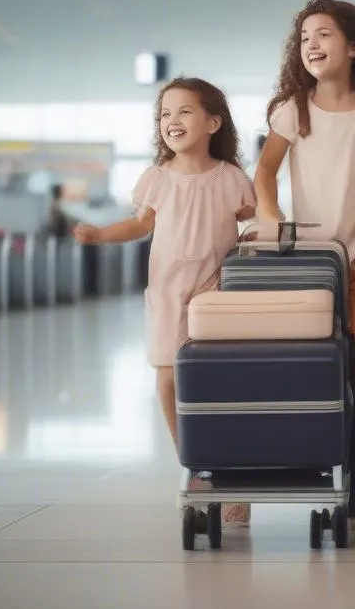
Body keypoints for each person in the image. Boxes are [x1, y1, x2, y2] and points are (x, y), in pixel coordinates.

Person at [73, 77, 256, 526]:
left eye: (184, 111)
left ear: (213, 122)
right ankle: (198, 468)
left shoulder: (231, 178)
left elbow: (254, 221)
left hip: (215, 291)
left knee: (221, 386)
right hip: (169, 295)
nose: (172, 121)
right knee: (169, 383)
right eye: (164, 114)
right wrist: (98, 235)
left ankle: (236, 478)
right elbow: (139, 226)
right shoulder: (155, 179)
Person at [253, 0, 355, 533]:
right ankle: (273, 480)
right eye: (305, 38)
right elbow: (265, 173)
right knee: (318, 375)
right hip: (311, 264)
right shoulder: (292, 109)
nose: (311, 45)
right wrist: (272, 218)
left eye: (324, 35)